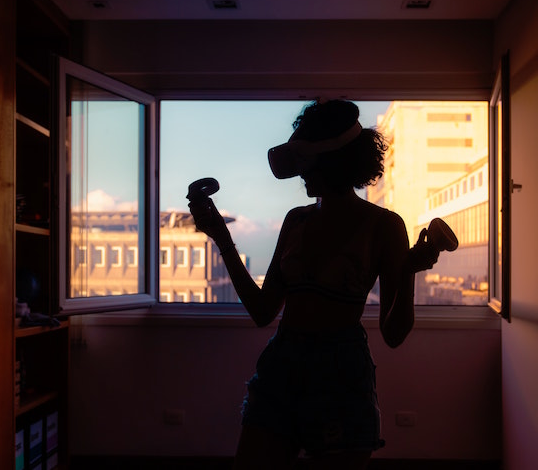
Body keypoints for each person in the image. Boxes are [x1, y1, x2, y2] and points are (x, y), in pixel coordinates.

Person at [188, 100, 439, 469]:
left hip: (342, 378)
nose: (301, 173)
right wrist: (221, 237)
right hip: (282, 369)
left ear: (333, 162)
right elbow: (263, 311)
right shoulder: (296, 221)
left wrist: (408, 274)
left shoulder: (384, 227)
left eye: (306, 162)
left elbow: (394, 332)